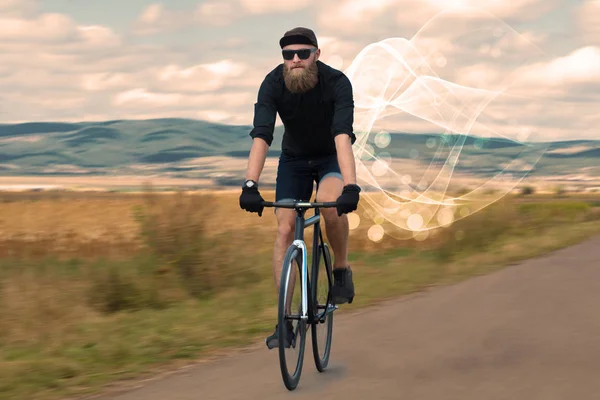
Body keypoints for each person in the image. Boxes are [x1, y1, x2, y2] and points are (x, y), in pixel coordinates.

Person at [238, 27, 361, 349]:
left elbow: (342, 136)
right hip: (294, 161)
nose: (295, 60)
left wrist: (351, 186)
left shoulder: (336, 83)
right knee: (284, 228)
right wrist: (249, 184)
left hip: (331, 157)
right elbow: (262, 135)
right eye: (288, 55)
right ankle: (284, 322)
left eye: (302, 54)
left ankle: (341, 269)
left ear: (316, 55)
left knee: (329, 203)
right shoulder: (273, 83)